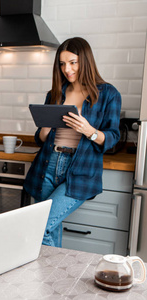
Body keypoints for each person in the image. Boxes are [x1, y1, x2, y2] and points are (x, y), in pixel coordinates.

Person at [23, 37, 121, 248]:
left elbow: (112, 137)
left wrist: (89, 131)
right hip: (47, 165)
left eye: (73, 62)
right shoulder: (55, 93)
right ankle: (50, 280)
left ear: (85, 61)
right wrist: (46, 128)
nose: (67, 69)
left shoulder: (107, 94)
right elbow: (40, 138)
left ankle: (49, 278)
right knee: (50, 227)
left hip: (79, 170)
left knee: (41, 226)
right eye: (62, 63)